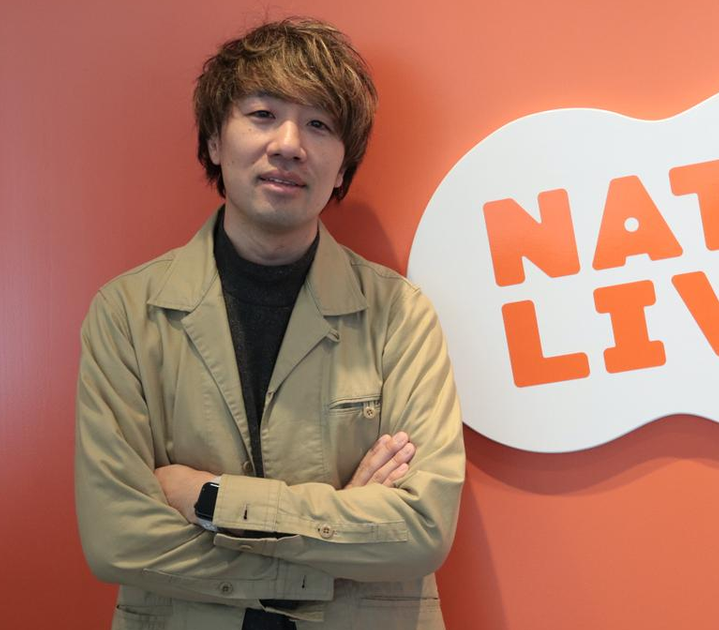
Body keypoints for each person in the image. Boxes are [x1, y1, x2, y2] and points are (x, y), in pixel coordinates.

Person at [74, 17, 465, 630]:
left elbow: (421, 529)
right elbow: (116, 537)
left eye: (319, 124)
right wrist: (336, 538)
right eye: (262, 114)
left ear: (343, 167)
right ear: (213, 141)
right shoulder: (126, 313)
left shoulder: (400, 315)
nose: (289, 144)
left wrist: (211, 500)